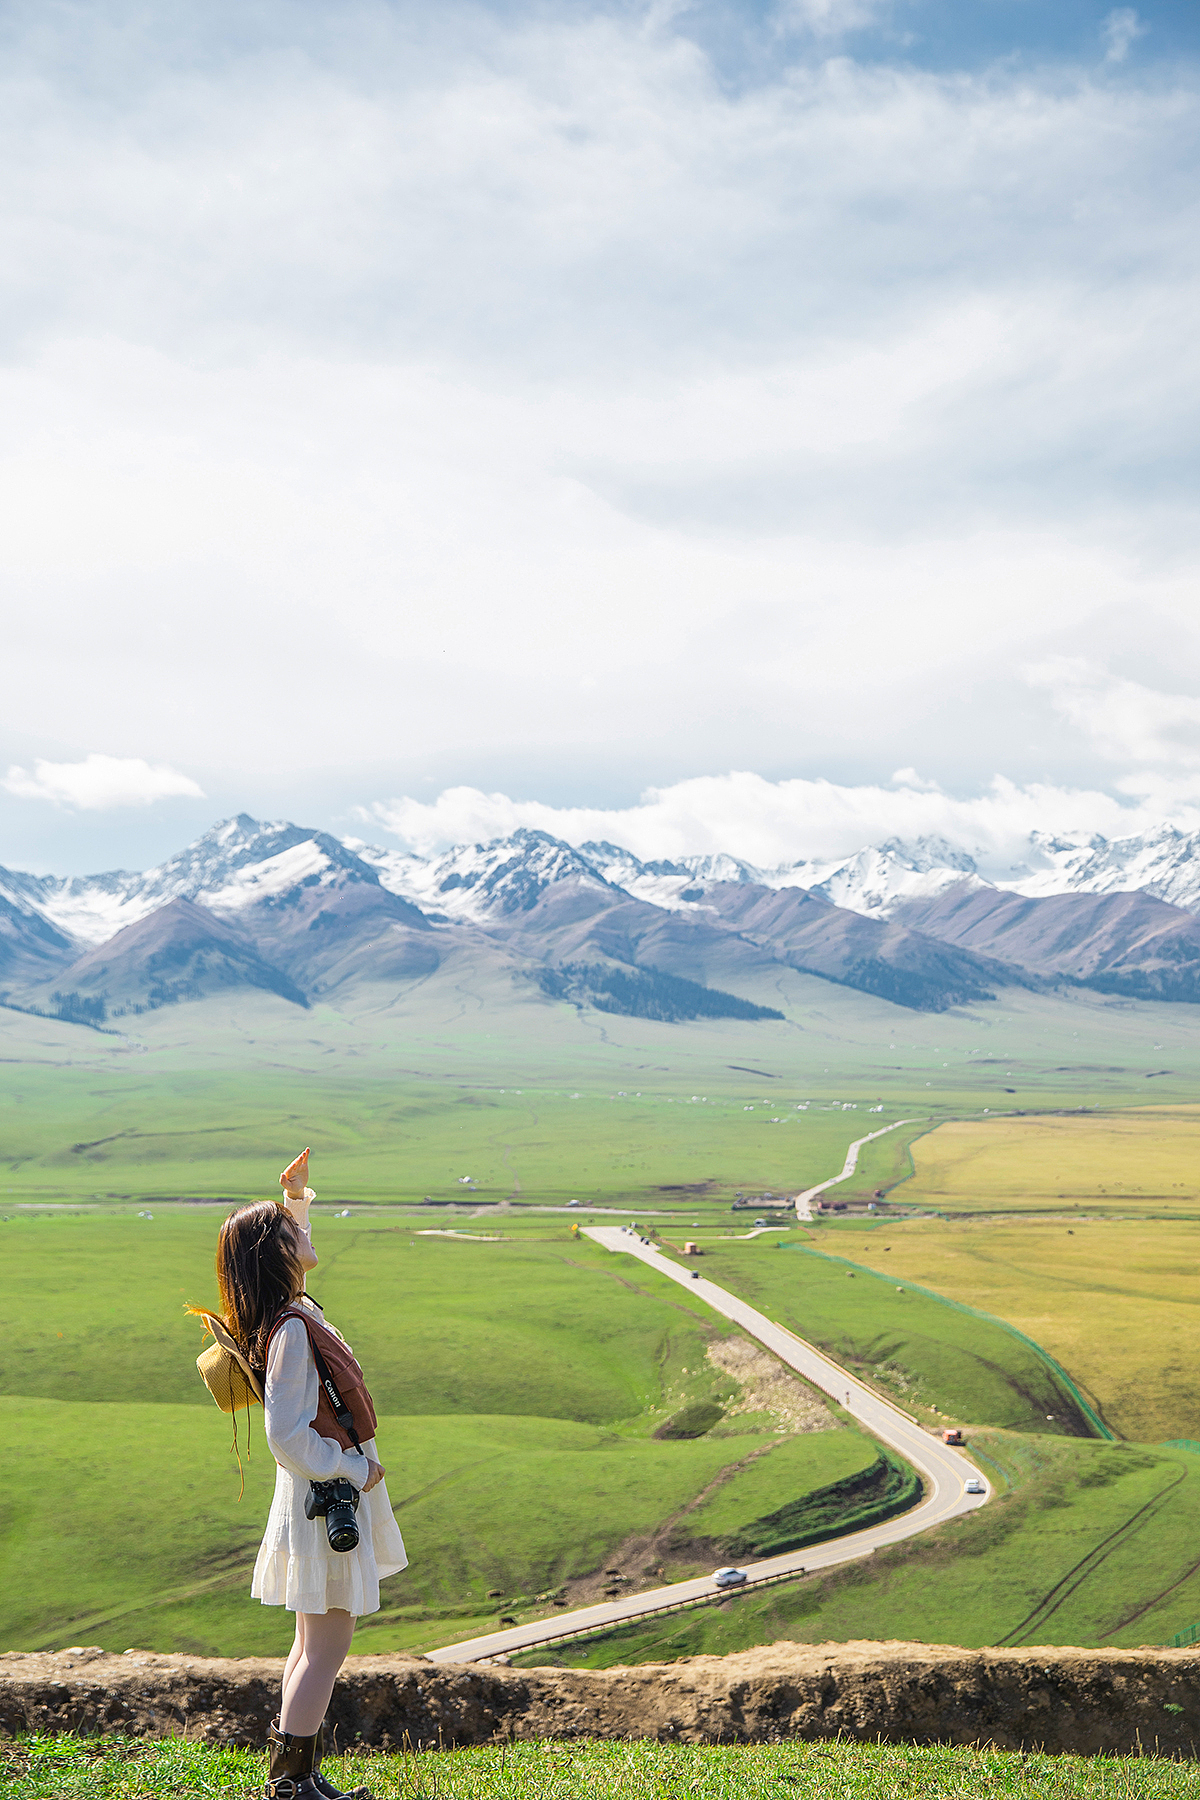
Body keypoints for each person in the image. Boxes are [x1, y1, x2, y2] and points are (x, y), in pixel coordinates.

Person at [203, 1148, 407, 1800]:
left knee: (309, 1644)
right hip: (326, 1499)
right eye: (294, 1234)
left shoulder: (289, 1313)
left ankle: (300, 1777)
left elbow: (294, 1245)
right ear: (278, 1254)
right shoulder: (292, 1328)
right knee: (326, 1646)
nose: (306, 1238)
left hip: (318, 1498)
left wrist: (294, 1200)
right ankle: (291, 1786)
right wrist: (350, 1464)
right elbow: (285, 1434)